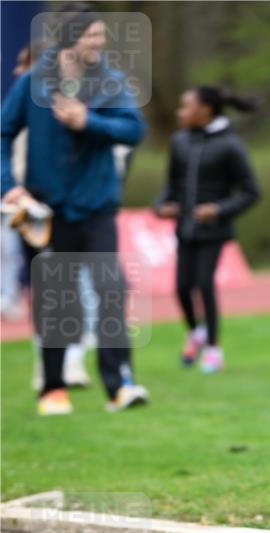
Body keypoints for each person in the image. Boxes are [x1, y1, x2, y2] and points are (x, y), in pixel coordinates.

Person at [0, 4, 149, 416]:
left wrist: (90, 121)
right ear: (68, 40)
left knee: (111, 292)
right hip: (48, 212)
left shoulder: (111, 82)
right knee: (56, 300)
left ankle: (120, 386)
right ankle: (52, 389)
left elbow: (135, 130)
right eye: (92, 37)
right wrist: (9, 186)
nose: (99, 44)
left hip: (98, 208)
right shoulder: (32, 83)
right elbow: (3, 132)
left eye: (102, 37)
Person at [155, 86, 261, 372]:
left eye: (185, 106)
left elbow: (251, 192)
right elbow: (171, 186)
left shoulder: (230, 145)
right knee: (180, 288)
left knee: (204, 285)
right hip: (184, 228)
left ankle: (213, 348)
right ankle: (195, 332)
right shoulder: (179, 142)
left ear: (205, 110)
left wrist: (217, 210)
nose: (180, 112)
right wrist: (161, 205)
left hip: (214, 232)